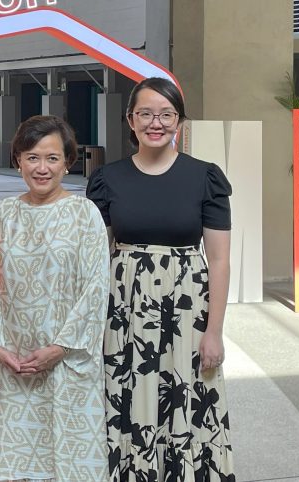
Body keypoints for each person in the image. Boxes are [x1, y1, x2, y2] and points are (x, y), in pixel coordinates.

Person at [86, 76, 235, 480]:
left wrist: (214, 331)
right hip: (125, 313)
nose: (156, 122)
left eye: (166, 114)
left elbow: (218, 261)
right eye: (146, 114)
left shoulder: (205, 177)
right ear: (130, 120)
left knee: (185, 399)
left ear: (179, 122)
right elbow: (97, 256)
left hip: (187, 314)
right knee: (128, 398)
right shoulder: (106, 179)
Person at [0, 115, 109, 481]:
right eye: (32, 157)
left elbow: (96, 288)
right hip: (14, 363)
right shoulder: (4, 214)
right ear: (17, 159)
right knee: (15, 464)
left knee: (68, 465)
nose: (42, 167)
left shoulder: (85, 214)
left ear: (68, 162)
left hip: (68, 362)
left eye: (53, 158)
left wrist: (60, 348)